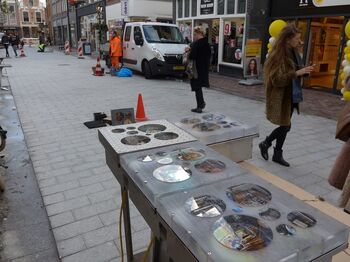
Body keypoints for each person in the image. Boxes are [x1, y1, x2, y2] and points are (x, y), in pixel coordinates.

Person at [258, 24, 315, 167]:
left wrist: (305, 70)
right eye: (297, 38)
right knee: (285, 125)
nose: (299, 41)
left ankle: (275, 152)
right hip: (282, 96)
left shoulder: (293, 52)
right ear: (288, 39)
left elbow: (295, 71)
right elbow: (277, 79)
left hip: (291, 94)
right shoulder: (279, 55)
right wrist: (297, 73)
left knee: (286, 125)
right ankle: (266, 144)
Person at [186, 26, 211, 113]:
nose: (194, 35)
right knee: (198, 87)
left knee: (197, 87)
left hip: (196, 69)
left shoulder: (196, 44)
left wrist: (188, 51)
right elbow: (208, 56)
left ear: (199, 33)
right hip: (204, 68)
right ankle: (201, 104)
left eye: (195, 34)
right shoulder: (207, 43)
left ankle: (200, 106)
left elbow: (192, 56)